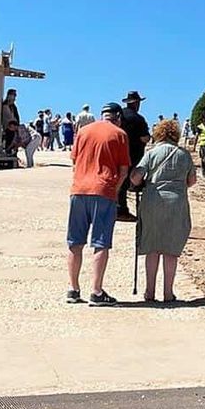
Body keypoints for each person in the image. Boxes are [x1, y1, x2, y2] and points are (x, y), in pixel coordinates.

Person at [65, 103, 131, 305]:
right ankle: (96, 291)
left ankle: (73, 289)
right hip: (103, 191)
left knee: (75, 241)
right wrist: (115, 191)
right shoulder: (119, 134)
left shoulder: (83, 131)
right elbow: (123, 170)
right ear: (117, 117)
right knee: (101, 242)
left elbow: (74, 161)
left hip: (79, 190)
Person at [131, 117, 196, 304]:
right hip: (177, 203)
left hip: (152, 201)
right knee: (171, 249)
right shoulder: (184, 154)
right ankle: (168, 293)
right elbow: (192, 181)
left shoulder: (152, 153)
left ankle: (149, 291)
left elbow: (136, 177)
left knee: (152, 247)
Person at [117, 91, 151, 219]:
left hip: (118, 151)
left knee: (119, 181)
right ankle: (121, 210)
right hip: (133, 153)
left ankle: (118, 208)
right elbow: (145, 138)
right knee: (125, 183)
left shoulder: (120, 116)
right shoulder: (138, 119)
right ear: (136, 103)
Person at [1, 88, 20, 157]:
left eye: (15, 95)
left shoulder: (13, 106)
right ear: (9, 95)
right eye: (13, 95)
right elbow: (8, 117)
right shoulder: (5, 105)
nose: (15, 97)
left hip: (14, 128)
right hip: (8, 128)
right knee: (9, 142)